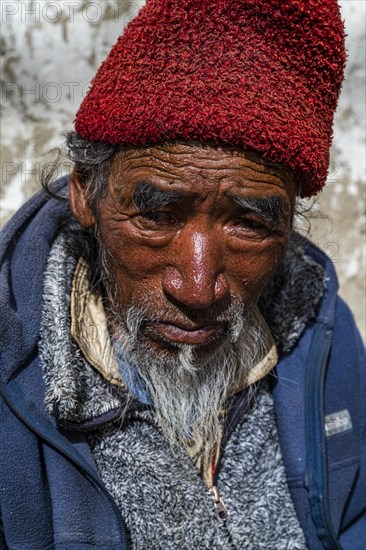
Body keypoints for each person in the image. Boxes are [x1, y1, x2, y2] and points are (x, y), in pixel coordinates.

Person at [0, 0, 365, 548]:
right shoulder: (15, 363)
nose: (197, 287)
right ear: (85, 194)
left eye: (248, 225)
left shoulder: (321, 333)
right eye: (155, 215)